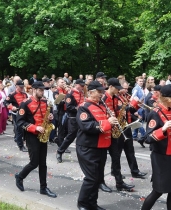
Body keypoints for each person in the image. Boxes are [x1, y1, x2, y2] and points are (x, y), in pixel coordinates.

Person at [141, 84, 171, 210]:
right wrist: (163, 129)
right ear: (168, 99)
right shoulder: (155, 113)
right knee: (158, 190)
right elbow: (148, 138)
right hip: (160, 157)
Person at [76, 81, 117, 209]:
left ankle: (92, 204)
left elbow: (104, 125)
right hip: (88, 147)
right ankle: (82, 204)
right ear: (91, 92)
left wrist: (113, 123)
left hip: (101, 146)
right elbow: (86, 126)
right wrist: (107, 123)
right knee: (91, 178)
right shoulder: (83, 107)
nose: (102, 94)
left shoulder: (102, 106)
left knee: (98, 178)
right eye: (99, 92)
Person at [14, 81, 57, 198]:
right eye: (40, 90)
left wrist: (50, 118)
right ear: (34, 89)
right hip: (32, 135)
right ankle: (20, 176)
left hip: (43, 135)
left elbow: (48, 117)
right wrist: (34, 127)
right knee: (34, 163)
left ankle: (43, 187)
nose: (43, 92)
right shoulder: (25, 103)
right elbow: (20, 122)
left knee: (43, 163)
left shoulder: (45, 102)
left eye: (43, 90)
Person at [99, 78, 135, 193]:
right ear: (111, 87)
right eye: (116, 89)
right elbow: (99, 113)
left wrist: (121, 113)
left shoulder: (115, 98)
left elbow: (116, 110)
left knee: (116, 157)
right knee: (102, 160)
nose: (118, 91)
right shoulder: (103, 98)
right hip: (105, 131)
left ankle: (119, 183)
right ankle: (100, 182)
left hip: (114, 131)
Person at [56, 79, 85, 163]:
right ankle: (60, 151)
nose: (83, 87)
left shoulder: (82, 93)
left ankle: (82, 156)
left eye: (83, 86)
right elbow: (68, 107)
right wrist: (78, 108)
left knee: (82, 137)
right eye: (81, 85)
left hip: (82, 117)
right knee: (71, 137)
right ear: (76, 85)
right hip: (73, 118)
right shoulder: (70, 94)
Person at [5, 80, 28, 152]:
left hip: (25, 114)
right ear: (16, 86)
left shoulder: (25, 94)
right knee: (19, 129)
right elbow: (5, 102)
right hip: (16, 114)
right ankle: (20, 146)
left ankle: (25, 142)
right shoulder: (12, 94)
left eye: (22, 87)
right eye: (20, 87)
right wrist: (12, 107)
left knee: (25, 129)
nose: (21, 88)